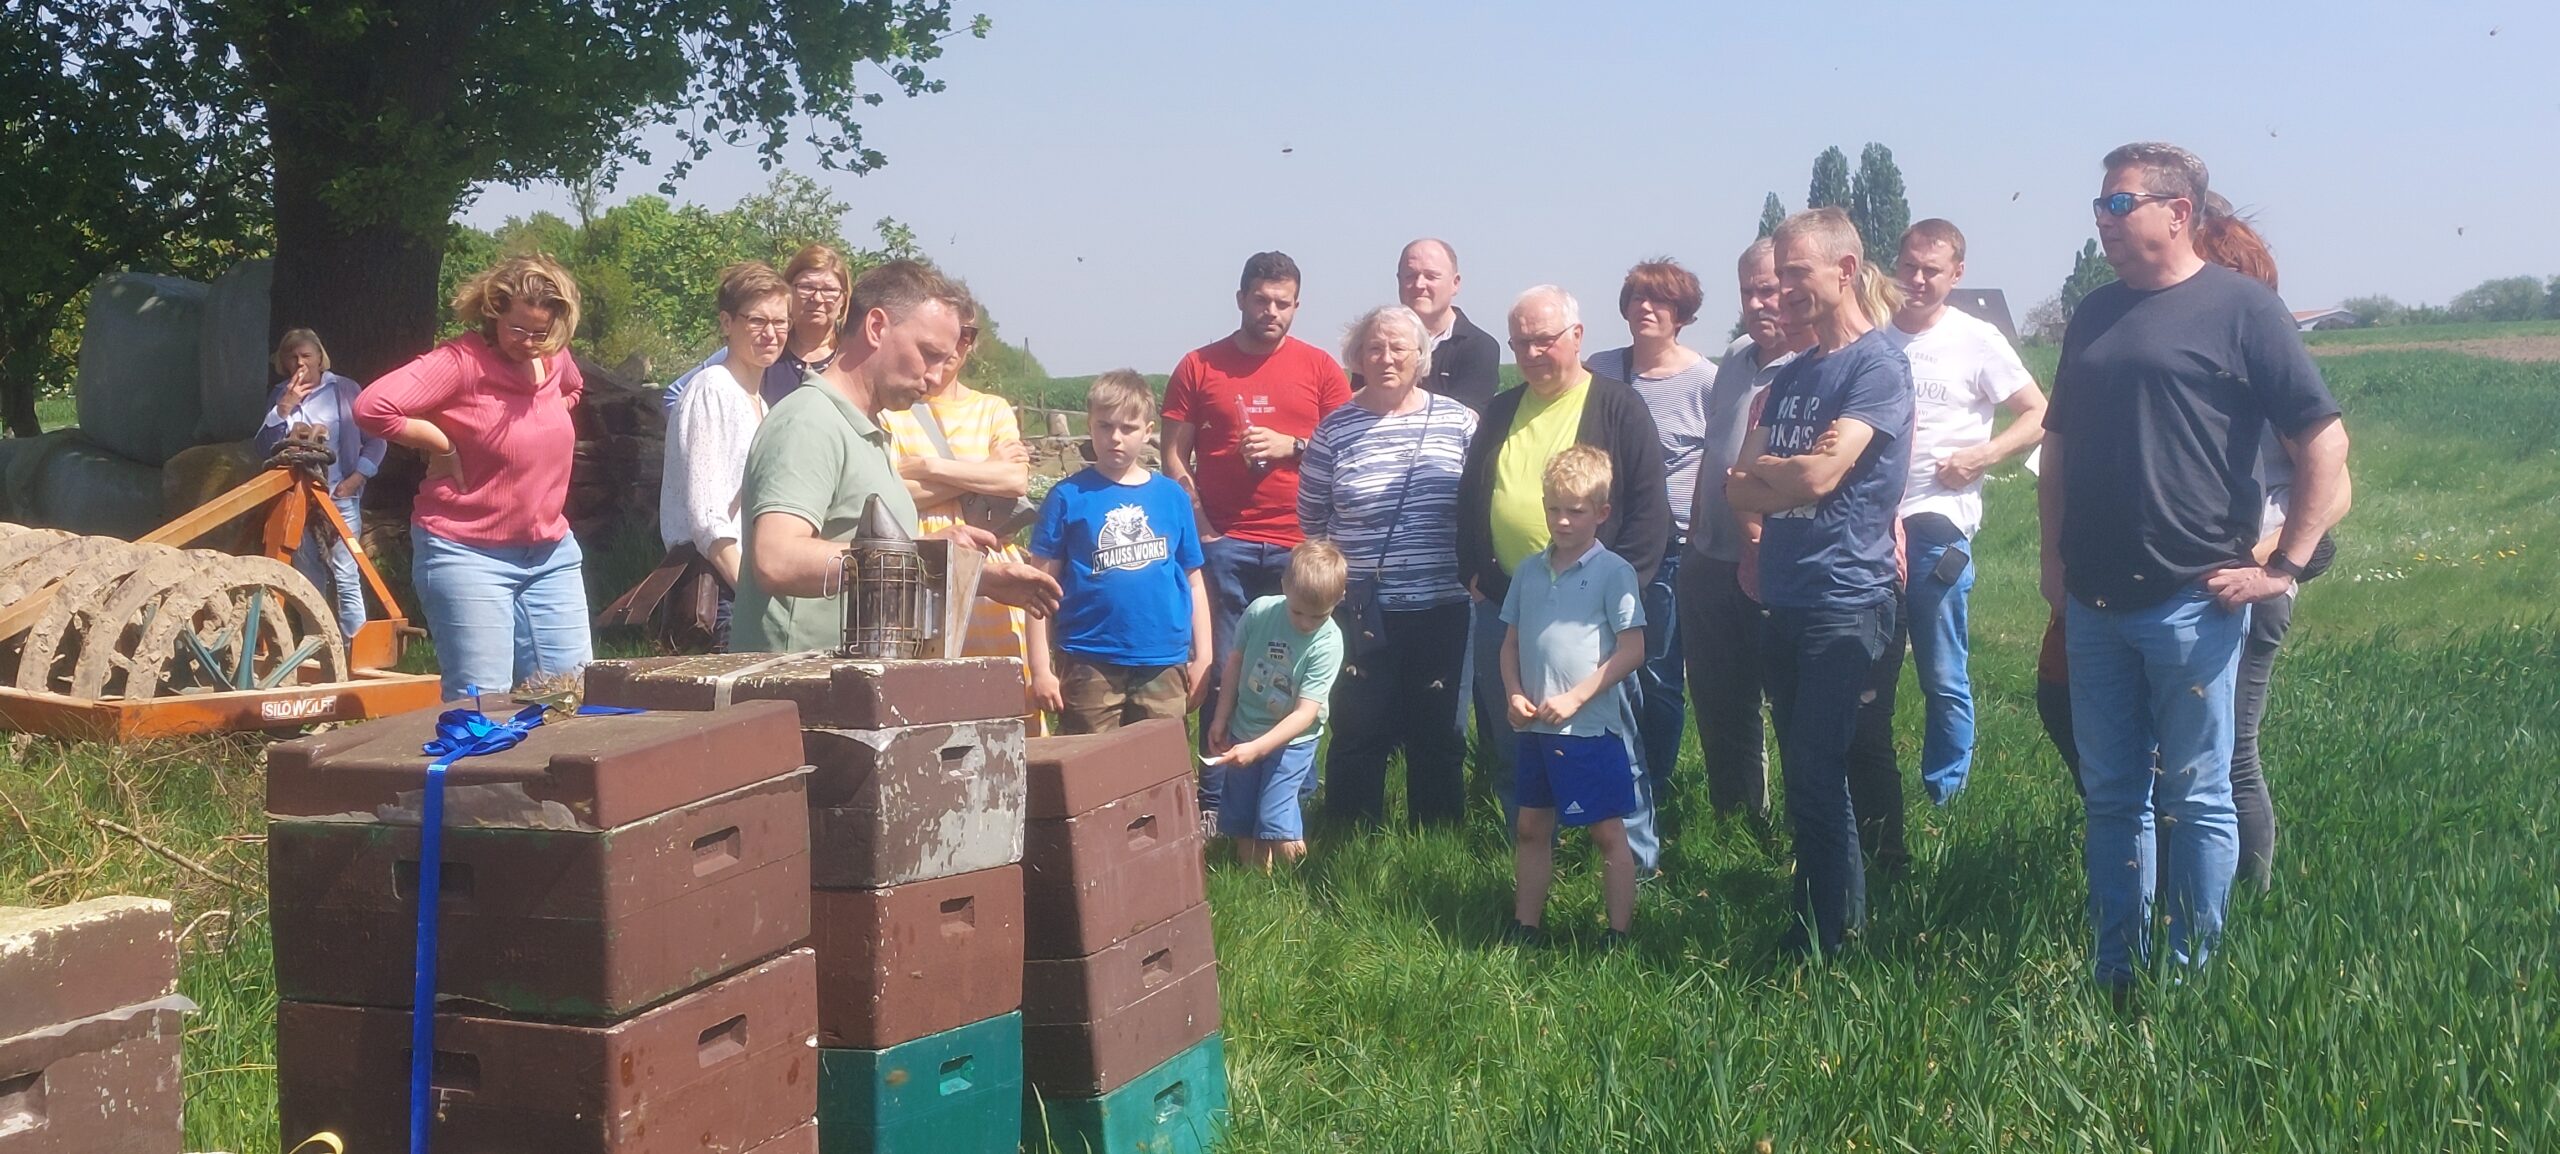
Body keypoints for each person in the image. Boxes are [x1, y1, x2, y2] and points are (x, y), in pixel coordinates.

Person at [2041, 143, 2349, 995]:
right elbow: (2057, 443)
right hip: (2095, 600)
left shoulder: (2242, 309)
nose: (2101, 219)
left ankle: (2189, 980)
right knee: (2112, 798)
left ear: (2178, 212)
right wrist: (2050, 558)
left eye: (2118, 203)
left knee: (2198, 797)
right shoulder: (2094, 313)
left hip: (2193, 602)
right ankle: (2115, 971)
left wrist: (2284, 567)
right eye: (2100, 204)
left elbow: (2324, 442)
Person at [1725, 207, 1914, 959]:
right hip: (1784, 596)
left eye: (1797, 275)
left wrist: (1789, 478)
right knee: (1810, 778)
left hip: (1846, 599)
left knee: (1813, 769)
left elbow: (1824, 472)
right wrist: (1789, 481)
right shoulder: (1796, 374)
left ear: (1844, 269)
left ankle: (1825, 942)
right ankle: (1825, 921)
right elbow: (1736, 488)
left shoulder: (1877, 366)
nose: (1783, 292)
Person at [732, 259, 1060, 653]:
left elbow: (863, 551)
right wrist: (915, 557)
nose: (937, 376)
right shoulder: (809, 421)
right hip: (799, 695)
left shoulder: (869, 432)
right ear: (875, 327)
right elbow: (777, 558)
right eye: (928, 353)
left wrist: (959, 568)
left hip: (847, 689)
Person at [1456, 286, 1669, 874]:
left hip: (1592, 614)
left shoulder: (1617, 406)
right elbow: (1473, 495)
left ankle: (1636, 868)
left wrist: (1622, 593)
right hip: (1508, 604)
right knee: (1513, 736)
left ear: (1577, 336)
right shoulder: (1501, 409)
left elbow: (1651, 510)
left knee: (1610, 744)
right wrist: (1472, 569)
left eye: (1543, 339)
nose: (1530, 352)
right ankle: (1529, 860)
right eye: (1520, 342)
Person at [1162, 251, 1352, 815]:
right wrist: (1202, 527)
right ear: (1241, 297)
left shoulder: (1319, 368)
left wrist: (1290, 444)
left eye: (1284, 303)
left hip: (1301, 545)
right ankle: (1217, 796)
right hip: (1227, 543)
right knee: (1225, 669)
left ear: (1297, 305)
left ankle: (1292, 795)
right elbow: (1174, 455)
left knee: (1297, 673)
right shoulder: (1200, 365)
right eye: (1262, 300)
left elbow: (1345, 447)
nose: (1272, 311)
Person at [356, 255, 593, 700]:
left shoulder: (555, 358)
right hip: (467, 552)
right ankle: (475, 772)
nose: (528, 342)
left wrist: (544, 425)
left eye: (540, 333)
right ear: (494, 312)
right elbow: (372, 407)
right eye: (517, 330)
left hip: (551, 556)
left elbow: (573, 389)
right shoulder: (459, 362)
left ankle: (544, 772)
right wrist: (440, 442)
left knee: (571, 693)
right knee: (483, 704)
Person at [1870, 219, 2048, 806]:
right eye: (1910, 267)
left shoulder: (1977, 339)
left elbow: (2038, 412)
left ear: (1957, 274)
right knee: (1869, 674)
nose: (1918, 280)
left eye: (1933, 271)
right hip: (1869, 525)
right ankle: (1873, 790)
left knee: (1943, 673)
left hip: (1936, 523)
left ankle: (1946, 797)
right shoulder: (1872, 337)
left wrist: (1984, 455)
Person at [1297, 305, 1478, 828]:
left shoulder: (1459, 422)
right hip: (1362, 608)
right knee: (1358, 728)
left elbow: (1479, 502)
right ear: (1356, 357)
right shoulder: (1334, 431)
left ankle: (1437, 837)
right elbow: (1312, 517)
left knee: (1441, 730)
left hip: (1444, 603)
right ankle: (1350, 837)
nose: (1386, 357)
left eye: (1399, 347)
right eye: (1374, 347)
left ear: (1421, 356)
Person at [1679, 239, 1810, 824]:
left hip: (1778, 560)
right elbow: (1715, 445)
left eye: (1771, 289)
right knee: (1718, 698)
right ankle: (1738, 820)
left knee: (1790, 702)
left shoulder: (1819, 364)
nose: (1760, 304)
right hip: (1709, 557)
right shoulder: (1734, 357)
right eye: (1748, 291)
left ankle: (1802, 821)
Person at [1502, 446, 1647, 948]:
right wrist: (1514, 693)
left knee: (1606, 832)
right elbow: (1511, 643)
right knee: (1529, 826)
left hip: (1588, 728)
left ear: (1602, 513)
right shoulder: (1527, 570)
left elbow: (1633, 649)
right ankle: (1527, 926)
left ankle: (1618, 934)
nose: (1561, 521)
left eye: (1576, 511)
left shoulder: (1614, 573)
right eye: (1552, 508)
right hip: (1536, 727)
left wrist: (1578, 698)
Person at [882, 287, 1049, 715]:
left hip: (994, 580)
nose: (956, 348)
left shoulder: (992, 408)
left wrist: (927, 467)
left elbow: (1013, 479)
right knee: (926, 703)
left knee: (1008, 705)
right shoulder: (891, 410)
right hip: (923, 572)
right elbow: (887, 492)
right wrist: (981, 473)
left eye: (966, 335)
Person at [1587, 258, 1713, 821]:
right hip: (1602, 544)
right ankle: (1599, 786)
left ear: (1682, 314)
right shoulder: (1601, 370)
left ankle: (1651, 791)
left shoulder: (1704, 379)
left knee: (1658, 675)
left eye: (1660, 301)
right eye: (1637, 298)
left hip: (1673, 549)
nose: (1646, 309)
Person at [1029, 371, 1212, 733]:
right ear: (1090, 426)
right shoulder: (1067, 497)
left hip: (1162, 659)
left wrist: (1204, 654)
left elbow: (1194, 581)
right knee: (1089, 773)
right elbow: (1038, 587)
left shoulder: (1172, 497)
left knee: (1156, 770)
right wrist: (1039, 667)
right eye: (1104, 426)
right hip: (1088, 658)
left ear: (1147, 432)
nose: (1115, 438)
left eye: (1128, 428)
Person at [658, 261, 792, 651]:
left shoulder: (761, 403)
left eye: (781, 323)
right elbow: (706, 518)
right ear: (727, 323)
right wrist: (751, 596)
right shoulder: (711, 389)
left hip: (745, 582)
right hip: (719, 591)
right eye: (757, 321)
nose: (771, 334)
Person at [1206, 539, 1348, 871]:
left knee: (1276, 817)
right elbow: (1234, 665)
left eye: (1318, 616)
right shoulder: (1260, 612)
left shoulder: (1328, 641)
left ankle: (1302, 882)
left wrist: (1258, 748)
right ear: (1284, 585)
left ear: (1339, 600)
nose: (1305, 623)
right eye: (1297, 612)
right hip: (1245, 728)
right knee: (1241, 815)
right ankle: (1254, 880)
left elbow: (1305, 713)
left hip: (1292, 743)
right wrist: (1220, 717)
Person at [255, 328, 383, 645]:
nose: (300, 363)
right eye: (293, 357)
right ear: (283, 361)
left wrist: (357, 479)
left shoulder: (345, 389)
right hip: (296, 497)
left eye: (306, 355)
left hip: (339, 495)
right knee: (307, 576)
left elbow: (377, 440)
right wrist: (285, 406)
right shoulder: (280, 395)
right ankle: (319, 646)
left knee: (346, 573)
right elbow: (263, 447)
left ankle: (356, 648)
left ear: (319, 357)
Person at [662, 243, 854, 412]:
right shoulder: (760, 348)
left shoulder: (853, 359)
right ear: (787, 291)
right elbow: (675, 395)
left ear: (844, 298)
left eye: (829, 290)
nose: (817, 298)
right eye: (806, 287)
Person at [1395, 239, 1503, 413]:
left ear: (1455, 283)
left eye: (1431, 276)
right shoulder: (1376, 344)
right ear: (1399, 280)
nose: (1419, 285)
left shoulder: (1479, 347)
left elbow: (1464, 421)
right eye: (1411, 276)